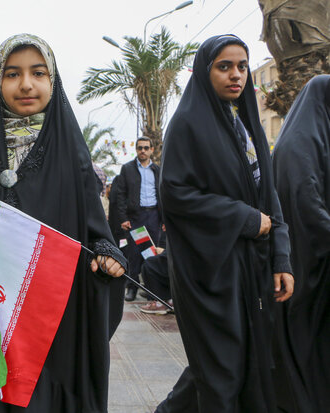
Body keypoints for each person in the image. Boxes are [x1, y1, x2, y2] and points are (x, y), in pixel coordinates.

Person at [0, 34, 126, 413]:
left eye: (38, 73)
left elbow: (94, 229)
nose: (26, 84)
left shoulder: (73, 155)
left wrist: (107, 256)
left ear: (52, 81)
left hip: (55, 315)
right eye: (12, 74)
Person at [156, 34, 294, 413]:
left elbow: (270, 195)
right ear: (205, 70)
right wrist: (245, 218)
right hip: (208, 272)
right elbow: (175, 193)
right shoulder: (187, 123)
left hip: (249, 268)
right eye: (224, 66)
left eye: (242, 67)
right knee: (222, 370)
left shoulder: (246, 124)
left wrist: (281, 259)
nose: (236, 75)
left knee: (234, 363)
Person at [272, 74, 330, 413]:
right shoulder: (299, 142)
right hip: (303, 261)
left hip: (312, 256)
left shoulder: (315, 136)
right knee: (304, 339)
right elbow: (307, 203)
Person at [111, 136, 161, 301]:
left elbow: (163, 194)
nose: (143, 151)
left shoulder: (157, 170)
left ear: (151, 150)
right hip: (136, 217)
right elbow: (120, 195)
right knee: (134, 253)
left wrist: (165, 219)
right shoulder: (128, 169)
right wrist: (123, 218)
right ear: (136, 150)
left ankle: (151, 289)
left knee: (151, 253)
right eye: (140, 148)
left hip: (153, 216)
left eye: (146, 148)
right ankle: (131, 288)